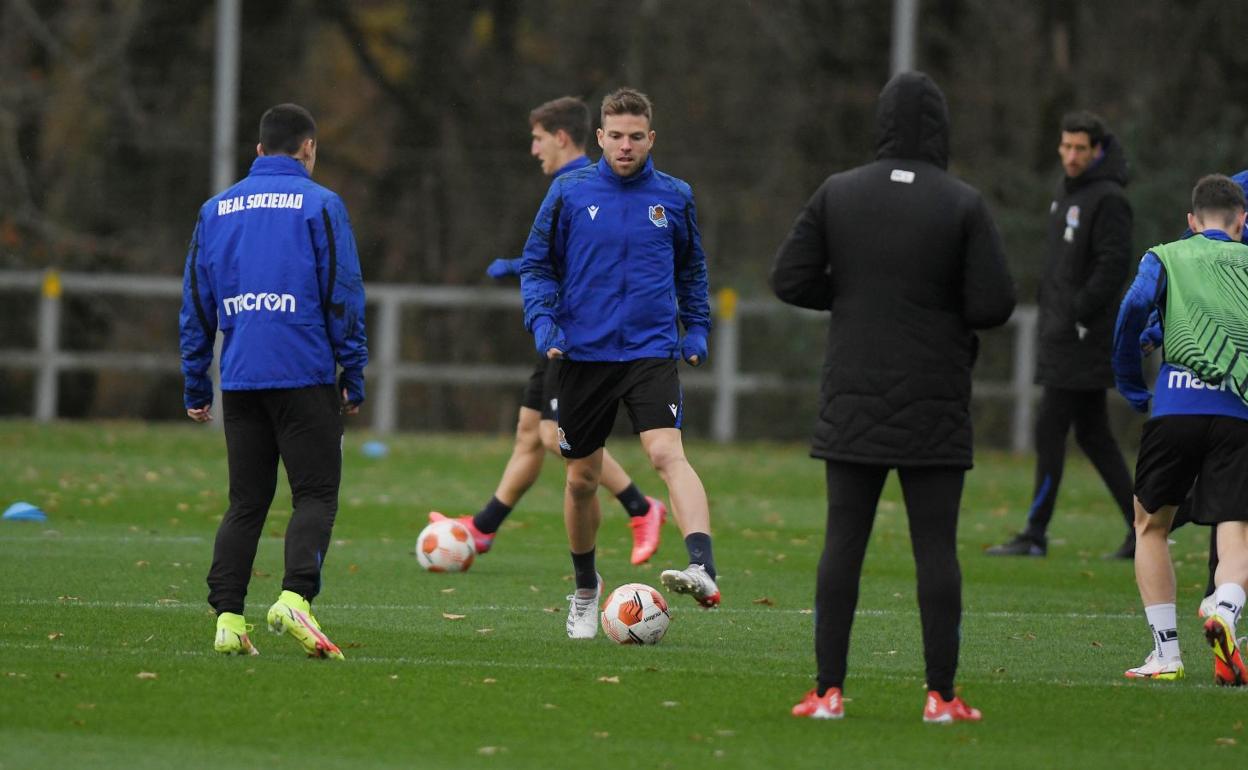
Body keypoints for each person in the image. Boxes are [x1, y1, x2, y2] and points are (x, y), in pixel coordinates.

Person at [771, 71, 1015, 722]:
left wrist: (851, 298)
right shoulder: (962, 202)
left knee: (842, 541)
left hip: (853, 390)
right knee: (935, 547)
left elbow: (789, 279)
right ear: (940, 129)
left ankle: (827, 692)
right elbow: (994, 304)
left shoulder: (839, 193)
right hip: (935, 396)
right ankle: (941, 695)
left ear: (881, 124)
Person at [428, 96, 667, 565]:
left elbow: (575, 261)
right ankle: (483, 528)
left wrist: (519, 266)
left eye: (538, 139)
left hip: (575, 335)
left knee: (554, 431)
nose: (534, 149)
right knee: (529, 431)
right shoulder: (572, 183)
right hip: (558, 329)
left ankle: (642, 507)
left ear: (560, 138)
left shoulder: (578, 184)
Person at [520, 87, 719, 640]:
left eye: (636, 136)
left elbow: (692, 271)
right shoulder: (568, 191)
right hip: (583, 355)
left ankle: (702, 566)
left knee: (665, 452)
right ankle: (586, 590)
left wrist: (696, 327)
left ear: (650, 138)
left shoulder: (674, 196)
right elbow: (537, 266)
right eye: (616, 137)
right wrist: (544, 323)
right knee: (582, 479)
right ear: (600, 138)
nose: (626, 146)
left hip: (651, 353)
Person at [180, 103, 368, 659]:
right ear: (308, 148)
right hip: (303, 373)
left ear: (258, 151)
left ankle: (228, 618)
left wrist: (197, 382)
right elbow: (343, 293)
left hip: (239, 379)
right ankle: (294, 598)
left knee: (246, 502)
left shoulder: (216, 209)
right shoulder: (322, 204)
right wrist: (352, 373)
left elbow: (196, 302)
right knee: (314, 494)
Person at [1112, 173, 1248, 685]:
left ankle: (1166, 653)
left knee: (1151, 525)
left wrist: (1129, 379)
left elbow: (1131, 308)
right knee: (1237, 529)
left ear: (1192, 222)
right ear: (1243, 222)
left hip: (1175, 406)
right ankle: (1226, 608)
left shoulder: (1165, 255)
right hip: (1239, 414)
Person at [987, 111, 1137, 559]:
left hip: (1081, 338)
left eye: (1080, 149)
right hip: (1060, 334)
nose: (1071, 156)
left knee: (1051, 429)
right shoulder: (1065, 193)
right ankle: (1141, 525)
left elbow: (1113, 267)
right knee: (1094, 436)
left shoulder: (1109, 199)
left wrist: (1077, 311)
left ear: (1097, 151)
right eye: (1066, 146)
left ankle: (1035, 533)